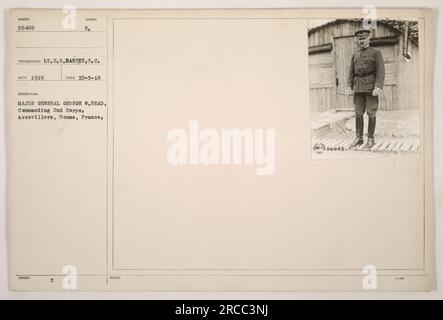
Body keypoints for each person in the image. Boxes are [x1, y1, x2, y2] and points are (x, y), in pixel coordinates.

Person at [346, 29, 385, 150]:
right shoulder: (355, 54)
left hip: (370, 88)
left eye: (364, 38)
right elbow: (351, 73)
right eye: (359, 39)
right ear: (357, 40)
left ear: (369, 39)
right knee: (358, 114)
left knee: (371, 114)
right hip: (358, 88)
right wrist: (349, 86)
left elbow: (381, 71)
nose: (361, 41)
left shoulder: (376, 52)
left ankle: (371, 139)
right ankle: (359, 138)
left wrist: (378, 87)